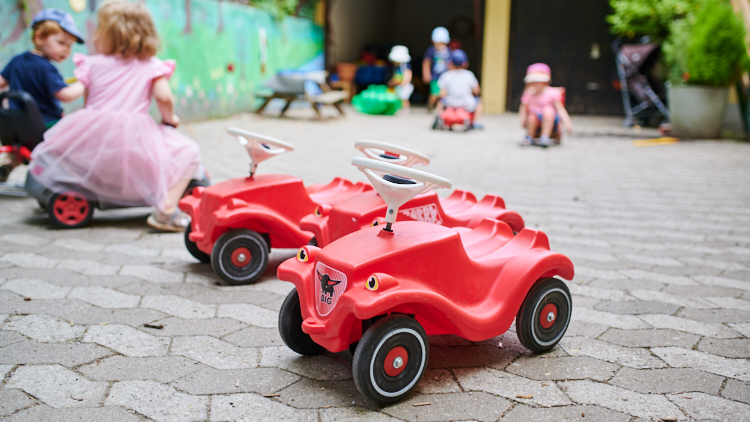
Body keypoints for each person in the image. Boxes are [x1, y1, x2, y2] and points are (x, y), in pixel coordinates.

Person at [29, 0, 201, 232]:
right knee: (189, 151)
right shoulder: (151, 65)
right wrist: (170, 118)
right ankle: (166, 210)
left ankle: (71, 187)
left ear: (107, 34)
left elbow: (89, 101)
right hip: (135, 136)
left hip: (96, 129)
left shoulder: (93, 64)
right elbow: (164, 98)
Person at [0, 8, 86, 182]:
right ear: (39, 38)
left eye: (69, 46)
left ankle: (9, 161)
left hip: (15, 127)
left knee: (25, 146)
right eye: (62, 43)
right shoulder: (47, 68)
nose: (66, 50)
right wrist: (84, 82)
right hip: (45, 125)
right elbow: (66, 95)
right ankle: (66, 178)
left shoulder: (17, 60)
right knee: (80, 132)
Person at [519, 63, 573, 147]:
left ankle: (545, 137)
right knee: (531, 116)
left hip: (550, 118)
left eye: (539, 81)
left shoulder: (552, 93)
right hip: (534, 117)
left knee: (548, 111)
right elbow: (523, 107)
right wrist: (522, 120)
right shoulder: (529, 93)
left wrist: (567, 123)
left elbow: (560, 109)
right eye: (533, 81)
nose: (536, 84)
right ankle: (529, 137)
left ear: (545, 82)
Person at [436, 49, 483, 129]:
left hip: (450, 103)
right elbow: (477, 91)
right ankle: (476, 122)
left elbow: (442, 93)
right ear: (465, 64)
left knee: (440, 101)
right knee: (479, 101)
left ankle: (438, 117)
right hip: (466, 104)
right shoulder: (469, 75)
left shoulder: (446, 75)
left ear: (450, 63)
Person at [422, 27, 451, 110]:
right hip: (435, 77)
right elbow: (426, 62)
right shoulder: (431, 50)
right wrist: (426, 73)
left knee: (443, 94)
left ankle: (439, 109)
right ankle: (430, 106)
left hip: (445, 77)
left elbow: (450, 64)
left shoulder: (448, 51)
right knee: (434, 93)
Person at [388, 45, 413, 114]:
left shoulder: (405, 66)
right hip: (398, 85)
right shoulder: (396, 67)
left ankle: (406, 108)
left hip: (406, 85)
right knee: (398, 96)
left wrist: (405, 82)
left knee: (404, 97)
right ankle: (399, 107)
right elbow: (395, 76)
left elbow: (408, 74)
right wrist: (392, 81)